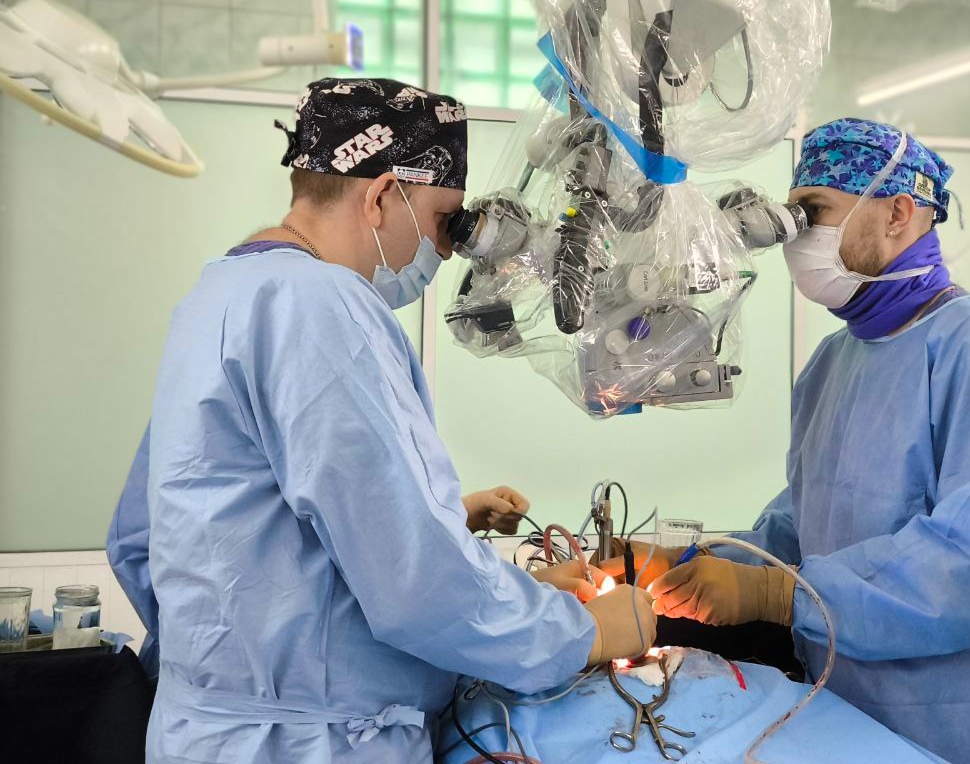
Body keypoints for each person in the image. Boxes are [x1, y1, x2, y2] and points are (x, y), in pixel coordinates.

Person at [106, 78, 654, 764]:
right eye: (444, 220)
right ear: (381, 195)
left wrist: (455, 537)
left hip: (203, 732)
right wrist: (582, 632)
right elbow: (411, 579)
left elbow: (148, 537)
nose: (448, 250)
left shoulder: (218, 294)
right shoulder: (322, 305)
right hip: (310, 745)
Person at [631, 119, 970, 764]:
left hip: (951, 716)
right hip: (836, 706)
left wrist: (778, 595)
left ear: (897, 213)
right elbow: (801, 528)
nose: (795, 237)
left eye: (814, 212)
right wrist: (682, 562)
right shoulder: (832, 362)